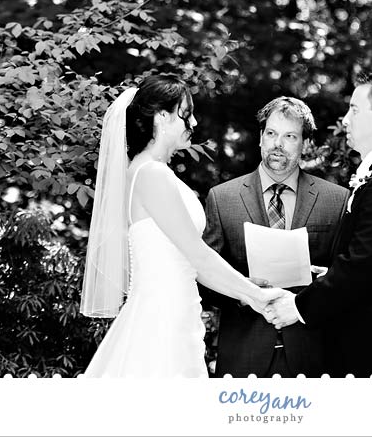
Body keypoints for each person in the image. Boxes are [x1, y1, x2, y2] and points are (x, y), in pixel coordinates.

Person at [81, 74, 283, 378]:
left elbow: (194, 265)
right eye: (185, 114)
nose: (194, 123)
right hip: (160, 318)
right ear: (162, 117)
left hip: (176, 311)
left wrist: (245, 289)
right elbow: (198, 253)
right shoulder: (151, 174)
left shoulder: (154, 171)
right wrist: (257, 298)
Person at [265, 74, 372, 378]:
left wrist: (299, 307)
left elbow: (362, 266)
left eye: (354, 110)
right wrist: (329, 274)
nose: (345, 120)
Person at [202, 96, 349, 377]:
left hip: (314, 357)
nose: (277, 143)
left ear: (305, 144)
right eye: (271, 133)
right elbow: (205, 283)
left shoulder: (336, 200)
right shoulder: (223, 198)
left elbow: (347, 278)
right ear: (260, 138)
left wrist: (323, 278)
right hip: (244, 357)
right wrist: (242, 290)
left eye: (289, 136)